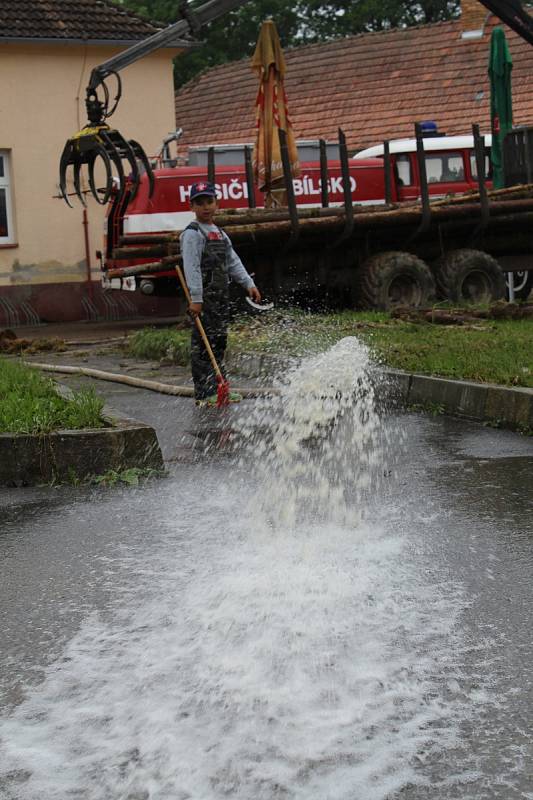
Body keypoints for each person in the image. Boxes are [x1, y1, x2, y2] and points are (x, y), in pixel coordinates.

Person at [180, 181, 262, 407]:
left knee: (218, 341)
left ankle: (220, 386)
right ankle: (205, 392)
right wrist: (196, 299)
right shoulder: (192, 234)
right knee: (202, 345)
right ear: (192, 206)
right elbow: (192, 267)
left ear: (217, 204)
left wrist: (248, 283)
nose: (206, 207)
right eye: (200, 203)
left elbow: (233, 261)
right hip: (203, 299)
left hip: (220, 297)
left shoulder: (220, 234)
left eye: (209, 202)